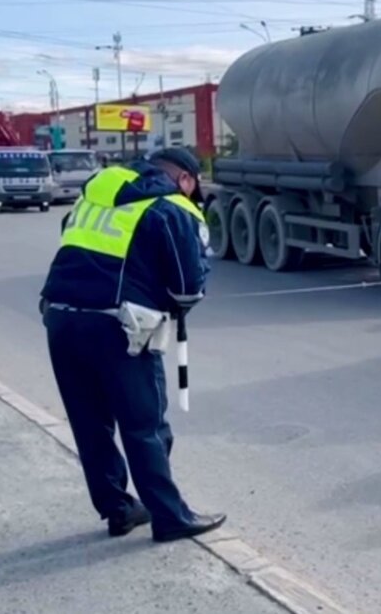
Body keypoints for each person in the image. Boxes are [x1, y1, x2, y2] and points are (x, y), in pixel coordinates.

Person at [39, 148, 226, 543]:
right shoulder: (171, 207)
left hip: (59, 315)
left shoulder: (96, 192)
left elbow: (70, 238)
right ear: (187, 180)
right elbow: (186, 288)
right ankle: (170, 516)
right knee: (145, 426)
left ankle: (120, 510)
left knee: (90, 423)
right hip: (117, 327)